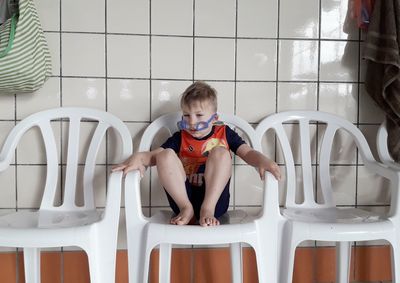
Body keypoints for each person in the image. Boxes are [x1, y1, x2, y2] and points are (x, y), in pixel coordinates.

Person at [112, 81, 281, 227]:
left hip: (215, 202)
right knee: (164, 155)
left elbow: (248, 152)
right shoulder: (180, 137)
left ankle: (207, 209)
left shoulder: (225, 133)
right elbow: (152, 156)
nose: (192, 122)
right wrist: (138, 158)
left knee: (221, 152)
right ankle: (187, 208)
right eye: (186, 115)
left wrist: (263, 161)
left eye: (199, 115)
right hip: (183, 198)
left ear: (214, 118)